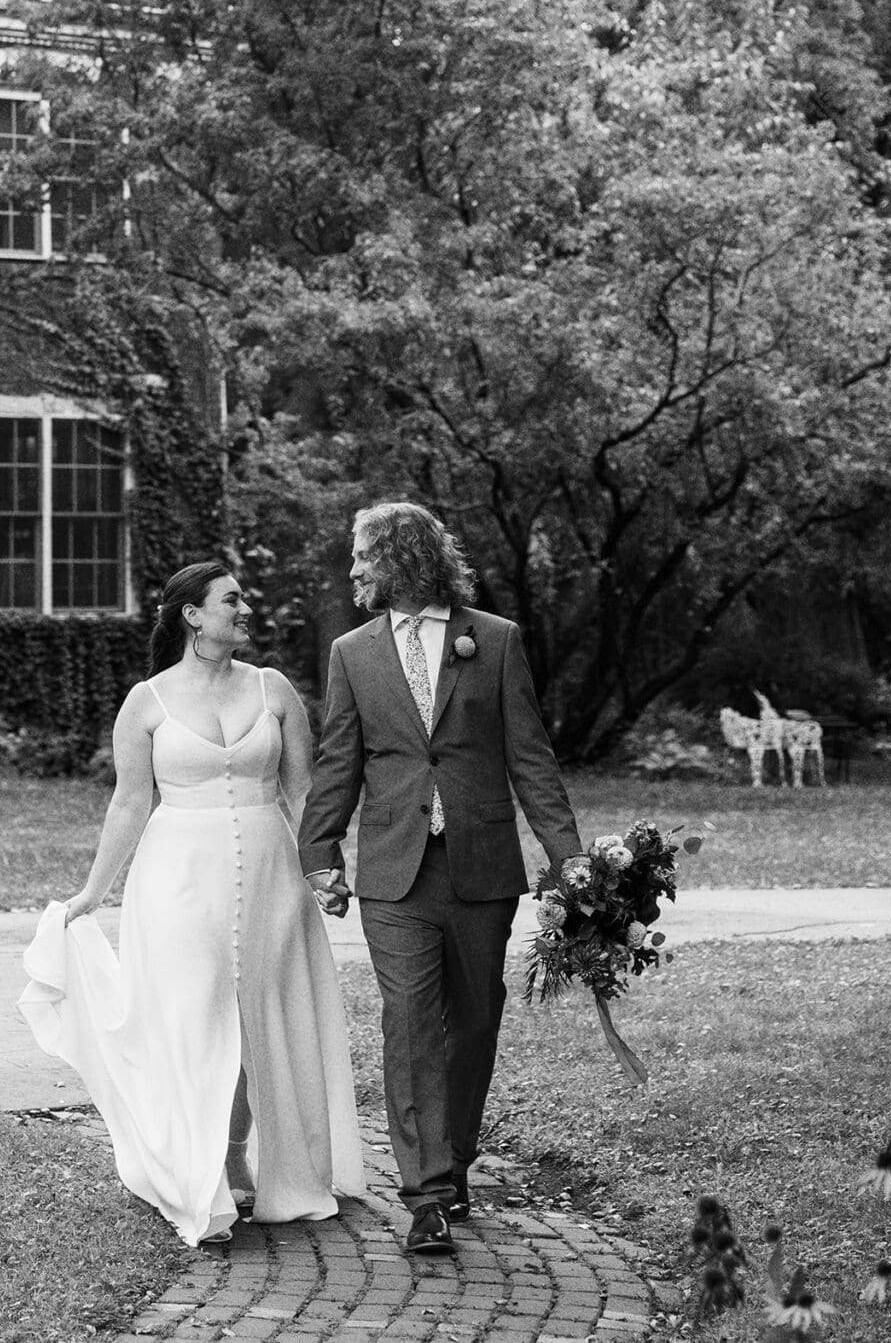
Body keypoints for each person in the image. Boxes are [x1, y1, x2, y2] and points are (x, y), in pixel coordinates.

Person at [21, 561, 364, 1247]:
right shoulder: (146, 701)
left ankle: (248, 1159)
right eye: (232, 600)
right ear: (193, 615)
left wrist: (324, 867)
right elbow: (129, 802)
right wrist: (94, 891)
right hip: (176, 879)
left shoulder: (273, 688)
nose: (246, 609)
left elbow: (302, 791)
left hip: (271, 874)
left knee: (262, 1017)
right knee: (196, 1016)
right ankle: (199, 1171)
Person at [298, 502, 584, 1257]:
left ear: (403, 557)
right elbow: (339, 760)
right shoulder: (352, 653)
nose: (354, 569)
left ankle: (454, 1161)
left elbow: (531, 759)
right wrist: (319, 852)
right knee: (411, 1024)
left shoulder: (494, 639)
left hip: (481, 867)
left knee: (476, 1020)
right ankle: (425, 1196)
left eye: (364, 555)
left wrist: (569, 859)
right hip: (394, 872)